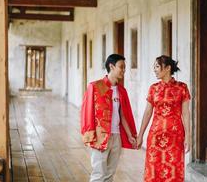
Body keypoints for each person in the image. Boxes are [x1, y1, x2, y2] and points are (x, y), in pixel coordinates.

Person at [81, 54, 137, 182]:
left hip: (116, 137)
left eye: (124, 68)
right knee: (98, 174)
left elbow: (123, 115)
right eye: (121, 67)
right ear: (111, 66)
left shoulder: (121, 91)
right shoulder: (96, 86)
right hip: (101, 137)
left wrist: (129, 135)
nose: (124, 70)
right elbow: (87, 111)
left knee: (110, 175)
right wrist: (90, 134)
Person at [137, 55, 191, 182]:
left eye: (157, 66)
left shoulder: (182, 88)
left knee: (174, 171)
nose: (154, 70)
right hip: (155, 136)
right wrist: (140, 135)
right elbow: (147, 112)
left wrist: (188, 136)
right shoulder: (153, 89)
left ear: (167, 68)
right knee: (153, 171)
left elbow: (186, 113)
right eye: (154, 67)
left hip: (175, 137)